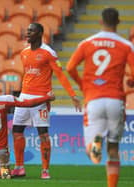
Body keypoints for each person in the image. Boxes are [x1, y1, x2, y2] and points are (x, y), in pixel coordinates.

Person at [66, 8, 134, 187]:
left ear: (100, 21)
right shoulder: (126, 45)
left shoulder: (87, 43)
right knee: (113, 149)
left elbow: (70, 67)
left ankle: (95, 144)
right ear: (118, 22)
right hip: (116, 100)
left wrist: (83, 86)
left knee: (91, 153)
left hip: (94, 99)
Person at [11, 22, 82, 179]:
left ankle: (45, 170)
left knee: (42, 134)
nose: (27, 33)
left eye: (31, 31)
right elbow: (28, 75)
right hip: (23, 97)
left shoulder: (48, 53)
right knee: (16, 131)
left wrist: (72, 95)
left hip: (41, 98)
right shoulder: (23, 53)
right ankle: (19, 167)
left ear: (40, 33)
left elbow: (60, 75)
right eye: (27, 30)